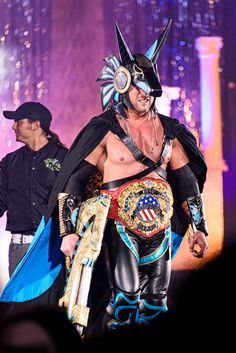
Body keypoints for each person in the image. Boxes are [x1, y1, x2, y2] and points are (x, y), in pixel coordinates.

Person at [0, 20, 208, 339]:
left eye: (148, 88)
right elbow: (74, 181)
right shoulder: (105, 131)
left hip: (159, 229)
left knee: (155, 304)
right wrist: (68, 232)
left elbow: (187, 181)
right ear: (124, 86)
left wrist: (198, 227)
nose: (144, 95)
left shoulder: (171, 133)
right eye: (138, 88)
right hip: (118, 227)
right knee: (123, 300)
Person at [0, 101, 68, 277]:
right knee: (20, 304)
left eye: (18, 122)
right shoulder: (9, 162)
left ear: (36, 125)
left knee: (51, 303)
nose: (13, 127)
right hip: (19, 248)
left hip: (53, 246)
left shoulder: (64, 158)